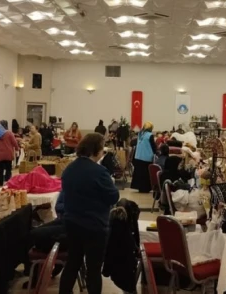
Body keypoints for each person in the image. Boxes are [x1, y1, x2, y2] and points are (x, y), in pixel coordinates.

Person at [59, 133, 119, 294]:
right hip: (94, 224)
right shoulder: (99, 171)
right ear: (96, 150)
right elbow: (113, 196)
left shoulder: (69, 169)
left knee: (72, 263)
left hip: (72, 222)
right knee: (93, 269)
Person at [131, 122, 157, 194]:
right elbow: (153, 146)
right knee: (146, 174)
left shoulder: (140, 134)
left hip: (138, 156)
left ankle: (139, 187)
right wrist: (156, 152)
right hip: (146, 157)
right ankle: (146, 188)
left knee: (139, 173)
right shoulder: (150, 135)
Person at [0, 120, 19, 187]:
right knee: (8, 169)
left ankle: (0, 183)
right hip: (8, 154)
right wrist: (17, 149)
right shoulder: (9, 133)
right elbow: (14, 143)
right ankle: (7, 182)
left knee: (0, 170)